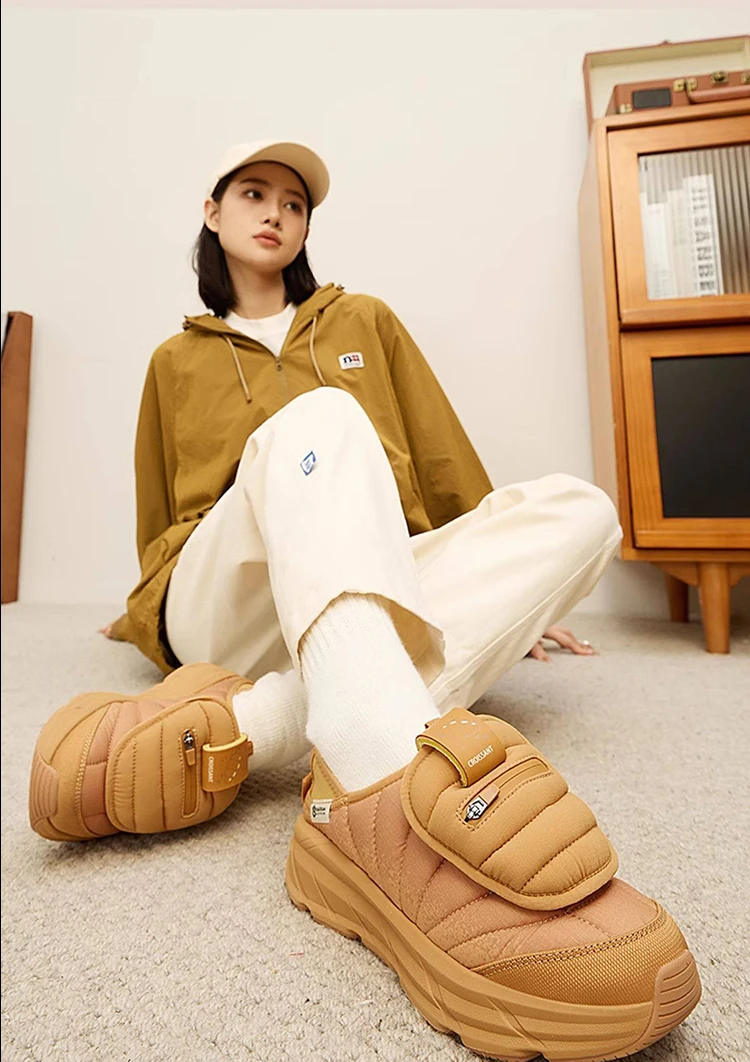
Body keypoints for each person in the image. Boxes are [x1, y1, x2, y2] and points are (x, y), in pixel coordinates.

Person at [30, 140, 701, 1060]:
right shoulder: (173, 360)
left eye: (294, 203)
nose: (276, 213)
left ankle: (264, 724)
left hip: (367, 581)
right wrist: (147, 616)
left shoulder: (364, 320)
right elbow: (161, 523)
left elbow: (443, 460)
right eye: (254, 194)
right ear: (212, 212)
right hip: (233, 603)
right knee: (322, 417)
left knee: (583, 513)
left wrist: (513, 595)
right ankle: (375, 758)